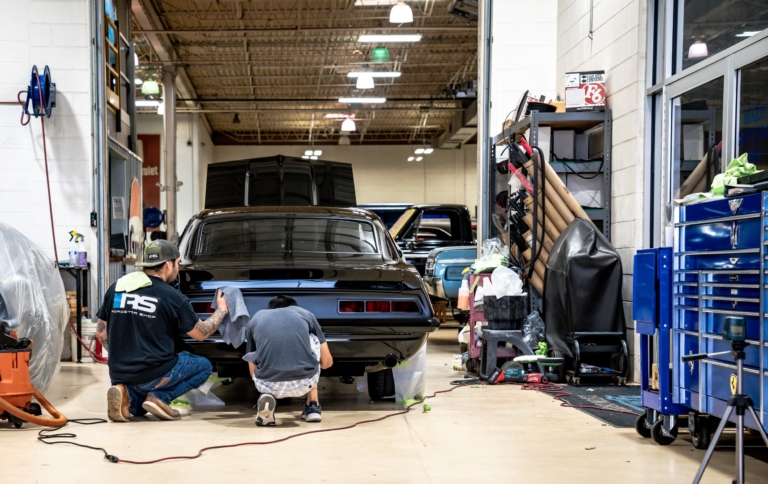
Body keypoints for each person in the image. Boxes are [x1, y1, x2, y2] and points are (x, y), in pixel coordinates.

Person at [95, 240, 229, 422]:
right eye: (178, 263)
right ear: (168, 265)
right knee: (204, 366)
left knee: (138, 410)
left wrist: (123, 357)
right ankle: (160, 397)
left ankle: (125, 392)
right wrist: (221, 309)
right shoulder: (172, 296)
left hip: (119, 373)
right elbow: (202, 333)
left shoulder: (117, 288)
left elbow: (101, 333)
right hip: (154, 373)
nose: (178, 268)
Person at [244, 295, 333, 426]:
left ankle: (266, 396)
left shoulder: (257, 318)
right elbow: (327, 363)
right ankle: (312, 406)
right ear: (294, 307)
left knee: (260, 348)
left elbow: (251, 364)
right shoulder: (305, 314)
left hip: (266, 383)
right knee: (312, 338)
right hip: (305, 382)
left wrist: (260, 381)